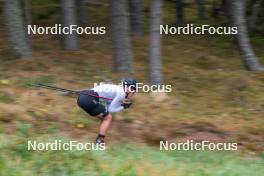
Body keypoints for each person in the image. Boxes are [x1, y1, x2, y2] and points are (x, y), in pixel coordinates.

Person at [77, 78, 137, 144]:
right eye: (134, 91)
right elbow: (111, 109)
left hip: (82, 98)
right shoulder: (122, 93)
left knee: (105, 118)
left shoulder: (116, 90)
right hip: (88, 98)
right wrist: (123, 107)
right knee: (108, 118)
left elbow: (106, 107)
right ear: (129, 89)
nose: (133, 94)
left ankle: (99, 141)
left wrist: (121, 105)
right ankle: (99, 142)